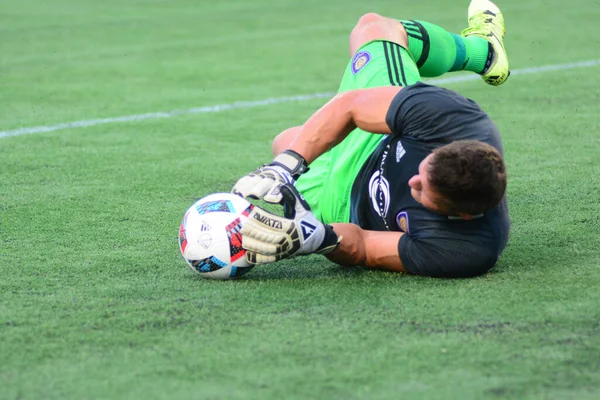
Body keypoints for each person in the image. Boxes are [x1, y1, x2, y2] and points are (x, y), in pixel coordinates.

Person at [232, 0, 510, 278]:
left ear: (462, 216)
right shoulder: (451, 119)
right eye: (424, 168)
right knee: (373, 27)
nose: (413, 180)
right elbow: (350, 107)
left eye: (424, 190)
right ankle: (484, 53)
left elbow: (364, 246)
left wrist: (312, 239)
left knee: (285, 139)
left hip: (344, 209)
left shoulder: (468, 249)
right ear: (444, 147)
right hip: (376, 142)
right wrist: (286, 165)